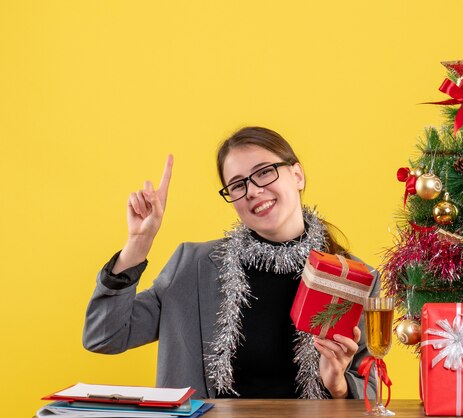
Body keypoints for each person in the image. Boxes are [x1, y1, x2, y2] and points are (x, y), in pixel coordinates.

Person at [83, 126, 379, 399]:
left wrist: (337, 383)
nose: (252, 190)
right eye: (237, 185)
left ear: (297, 175)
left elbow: (373, 394)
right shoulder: (192, 266)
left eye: (264, 172)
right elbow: (105, 336)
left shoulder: (351, 277)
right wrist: (138, 243)